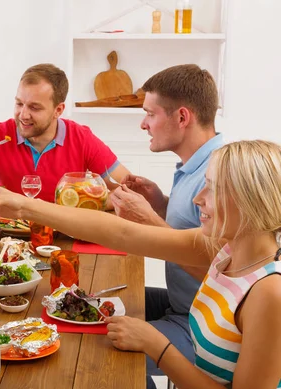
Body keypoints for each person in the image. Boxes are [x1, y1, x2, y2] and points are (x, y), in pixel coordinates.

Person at [0, 139, 281, 388]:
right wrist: (22, 204)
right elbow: (122, 232)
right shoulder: (226, 250)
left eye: (212, 189)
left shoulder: (269, 292)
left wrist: (156, 345)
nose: (198, 199)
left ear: (249, 201)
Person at [109, 64, 224, 388]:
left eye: (150, 114)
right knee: (91, 308)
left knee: (107, 354)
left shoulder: (219, 172)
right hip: (181, 305)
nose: (143, 124)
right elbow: (196, 229)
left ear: (182, 117)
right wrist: (162, 203)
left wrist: (151, 221)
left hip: (203, 327)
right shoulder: (197, 164)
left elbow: (223, 274)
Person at [0, 63, 130, 202]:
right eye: (19, 104)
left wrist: (84, 201)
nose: (23, 115)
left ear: (58, 110)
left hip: (65, 235)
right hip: (10, 239)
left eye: (34, 107)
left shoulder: (82, 139)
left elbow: (127, 192)